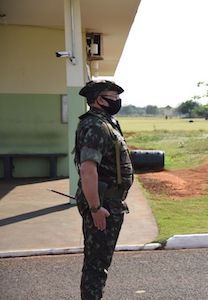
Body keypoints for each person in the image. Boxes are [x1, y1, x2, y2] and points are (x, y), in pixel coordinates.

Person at [74, 80, 134, 299]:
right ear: (99, 99)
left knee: (100, 262)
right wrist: (95, 208)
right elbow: (87, 170)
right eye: (113, 97)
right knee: (96, 264)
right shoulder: (96, 126)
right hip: (103, 204)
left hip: (110, 202)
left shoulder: (106, 122)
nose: (117, 101)